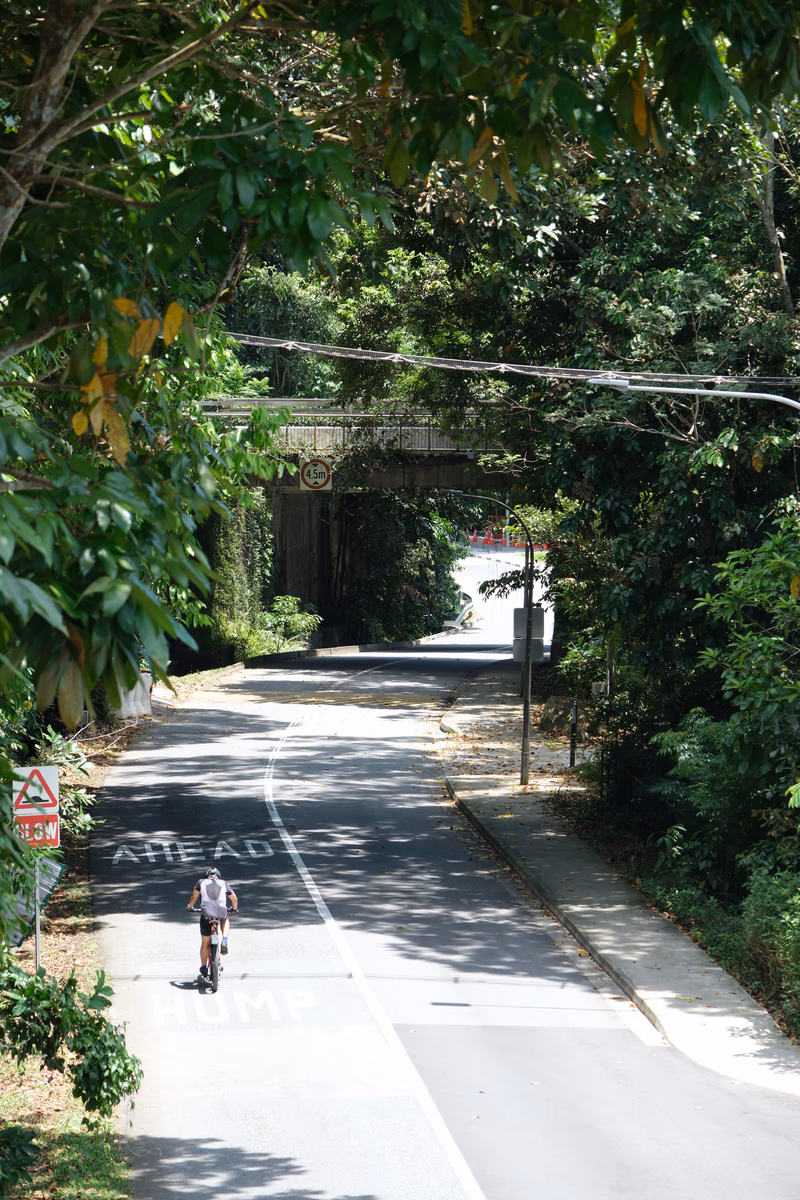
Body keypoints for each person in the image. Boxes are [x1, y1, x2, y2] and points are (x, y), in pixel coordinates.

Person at [186, 867, 238, 981]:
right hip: (221, 912)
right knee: (225, 918)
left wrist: (190, 908)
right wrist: (234, 908)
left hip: (206, 914)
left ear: (207, 876)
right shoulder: (224, 883)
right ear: (219, 877)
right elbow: (234, 899)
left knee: (205, 942)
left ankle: (204, 967)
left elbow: (194, 897)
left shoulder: (201, 882)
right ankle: (224, 940)